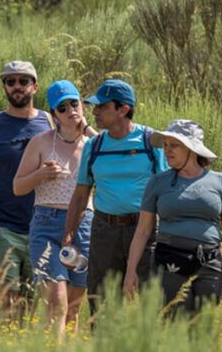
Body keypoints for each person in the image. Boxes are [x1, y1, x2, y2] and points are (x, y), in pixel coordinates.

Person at [124, 119, 222, 316]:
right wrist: (130, 271)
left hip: (210, 266)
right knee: (174, 323)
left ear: (191, 149)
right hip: (169, 264)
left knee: (203, 325)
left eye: (174, 145)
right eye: (165, 145)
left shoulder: (219, 182)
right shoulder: (158, 182)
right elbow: (143, 230)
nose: (167, 150)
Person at [63, 79, 167, 311]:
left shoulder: (150, 141)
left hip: (145, 230)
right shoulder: (94, 145)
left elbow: (166, 190)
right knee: (101, 302)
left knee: (151, 301)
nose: (95, 112)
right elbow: (81, 195)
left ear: (123, 109)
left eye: (102, 106)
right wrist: (68, 234)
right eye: (95, 106)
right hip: (104, 231)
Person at [0, 60, 51, 315]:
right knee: (6, 305)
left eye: (23, 81)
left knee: (32, 307)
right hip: (4, 228)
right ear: (4, 87)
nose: (17, 86)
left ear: (35, 86)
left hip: (43, 227)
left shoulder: (50, 122)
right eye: (10, 81)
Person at [13, 79, 94, 330]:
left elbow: (112, 153)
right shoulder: (41, 142)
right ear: (53, 114)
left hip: (82, 225)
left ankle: (67, 344)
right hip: (47, 224)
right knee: (57, 301)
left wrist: (88, 129)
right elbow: (18, 187)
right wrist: (40, 175)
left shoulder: (93, 143)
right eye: (62, 107)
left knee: (74, 305)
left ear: (82, 105)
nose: (70, 111)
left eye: (74, 103)